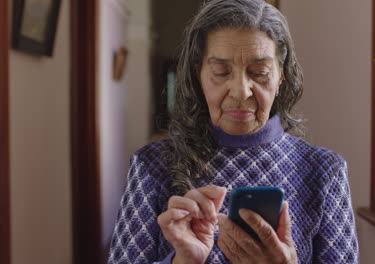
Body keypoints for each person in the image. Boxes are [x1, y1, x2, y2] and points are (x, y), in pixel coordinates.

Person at [107, 0, 359, 263]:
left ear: (281, 75)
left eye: (260, 72)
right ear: (199, 74)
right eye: (220, 71)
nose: (240, 92)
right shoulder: (151, 166)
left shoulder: (324, 172)